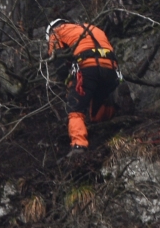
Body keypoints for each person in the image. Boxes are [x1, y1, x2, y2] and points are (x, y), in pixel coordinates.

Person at [47, 19, 120, 157]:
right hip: (111, 68)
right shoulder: (92, 28)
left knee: (75, 108)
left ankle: (79, 144)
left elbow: (59, 64)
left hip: (88, 67)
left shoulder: (55, 33)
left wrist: (68, 83)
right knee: (101, 96)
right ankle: (106, 123)